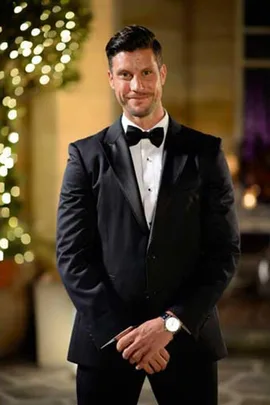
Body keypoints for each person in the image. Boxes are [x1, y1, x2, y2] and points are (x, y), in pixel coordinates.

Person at [56, 24, 240, 405]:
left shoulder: (206, 153)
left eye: (146, 73)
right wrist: (125, 334)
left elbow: (223, 253)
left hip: (186, 341)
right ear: (110, 79)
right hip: (107, 343)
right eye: (125, 74)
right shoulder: (84, 157)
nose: (136, 85)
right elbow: (72, 256)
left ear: (162, 74)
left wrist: (168, 325)